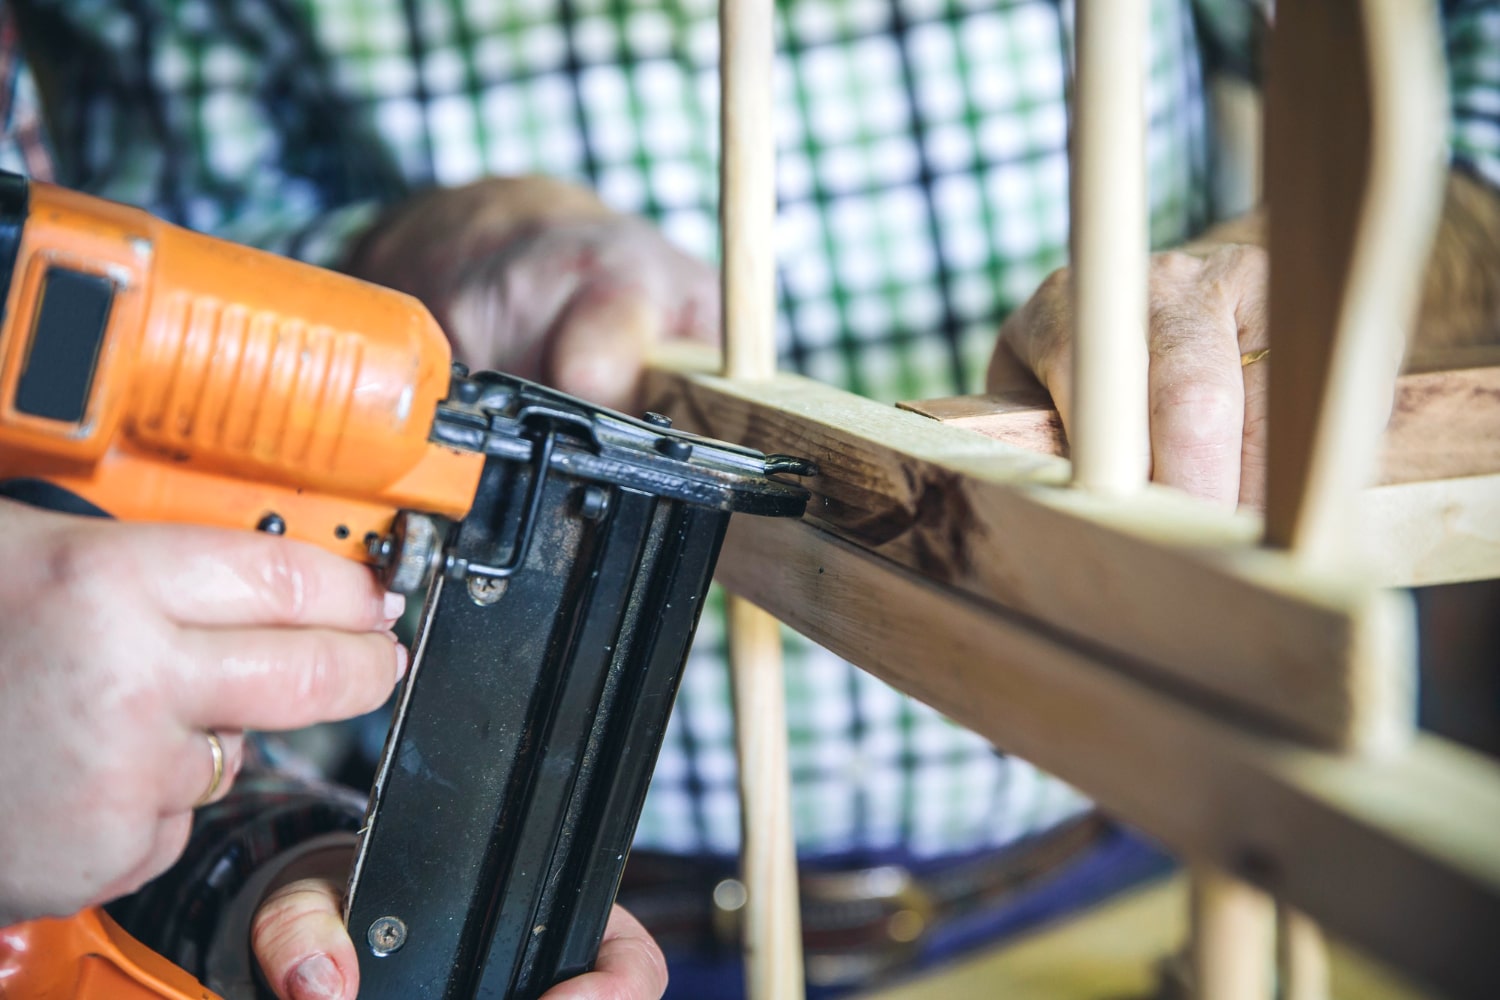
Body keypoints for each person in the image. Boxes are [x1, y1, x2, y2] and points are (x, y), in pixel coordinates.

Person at [2, 0, 1496, 998]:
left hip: (1172, 882)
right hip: (514, 930)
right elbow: (125, 258)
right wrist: (406, 246)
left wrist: (1359, 278)